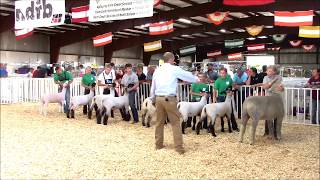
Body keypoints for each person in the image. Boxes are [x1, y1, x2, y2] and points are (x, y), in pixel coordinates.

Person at [150, 52, 199, 154]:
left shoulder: (157, 70)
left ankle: (158, 145)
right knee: (175, 123)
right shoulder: (174, 69)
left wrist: (152, 98)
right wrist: (196, 79)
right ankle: (179, 148)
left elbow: (152, 86)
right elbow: (187, 76)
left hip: (159, 98)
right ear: (172, 59)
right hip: (170, 99)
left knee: (159, 122)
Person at [254, 65, 284, 135]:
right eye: (267, 70)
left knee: (277, 115)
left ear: (274, 72)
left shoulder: (279, 77)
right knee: (268, 115)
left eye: (270, 71)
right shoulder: (265, 77)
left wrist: (282, 88)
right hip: (268, 98)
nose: (267, 72)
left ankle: (276, 133)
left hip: (277, 98)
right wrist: (271, 83)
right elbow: (265, 87)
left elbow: (281, 87)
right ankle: (268, 132)